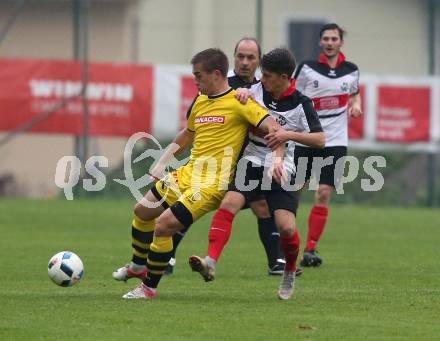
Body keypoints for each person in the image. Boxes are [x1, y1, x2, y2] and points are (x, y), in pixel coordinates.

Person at [112, 47, 282, 300]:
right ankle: (138, 266)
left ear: (215, 74)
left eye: (198, 75)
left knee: (164, 225)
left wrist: (277, 158)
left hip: (212, 184)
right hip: (188, 173)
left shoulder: (240, 102)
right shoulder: (201, 101)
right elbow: (187, 134)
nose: (195, 81)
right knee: (142, 211)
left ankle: (148, 288)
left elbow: (273, 127)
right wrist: (162, 161)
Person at [188, 48, 325, 300]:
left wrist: (288, 134)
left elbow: (319, 139)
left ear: (284, 78)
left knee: (286, 228)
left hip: (284, 166)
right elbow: (236, 96)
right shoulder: (256, 91)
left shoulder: (301, 103)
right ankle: (210, 261)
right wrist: (240, 92)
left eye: (268, 76)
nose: (262, 80)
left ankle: (290, 270)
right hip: (252, 159)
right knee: (229, 203)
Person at [166, 37, 286, 276]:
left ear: (259, 62)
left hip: (248, 162)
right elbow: (194, 123)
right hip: (217, 164)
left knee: (261, 206)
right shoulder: (220, 84)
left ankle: (277, 261)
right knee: (192, 204)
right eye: (240, 56)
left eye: (250, 57)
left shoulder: (262, 87)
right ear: (233, 58)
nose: (244, 62)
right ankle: (167, 256)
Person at [293, 23, 362, 268]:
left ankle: (310, 249)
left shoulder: (351, 70)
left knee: (323, 193)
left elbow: (353, 93)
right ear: (320, 42)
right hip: (307, 137)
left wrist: (356, 104)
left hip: (335, 140)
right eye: (326, 38)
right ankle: (290, 244)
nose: (330, 42)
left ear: (341, 42)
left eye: (334, 38)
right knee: (295, 192)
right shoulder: (307, 68)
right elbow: (292, 94)